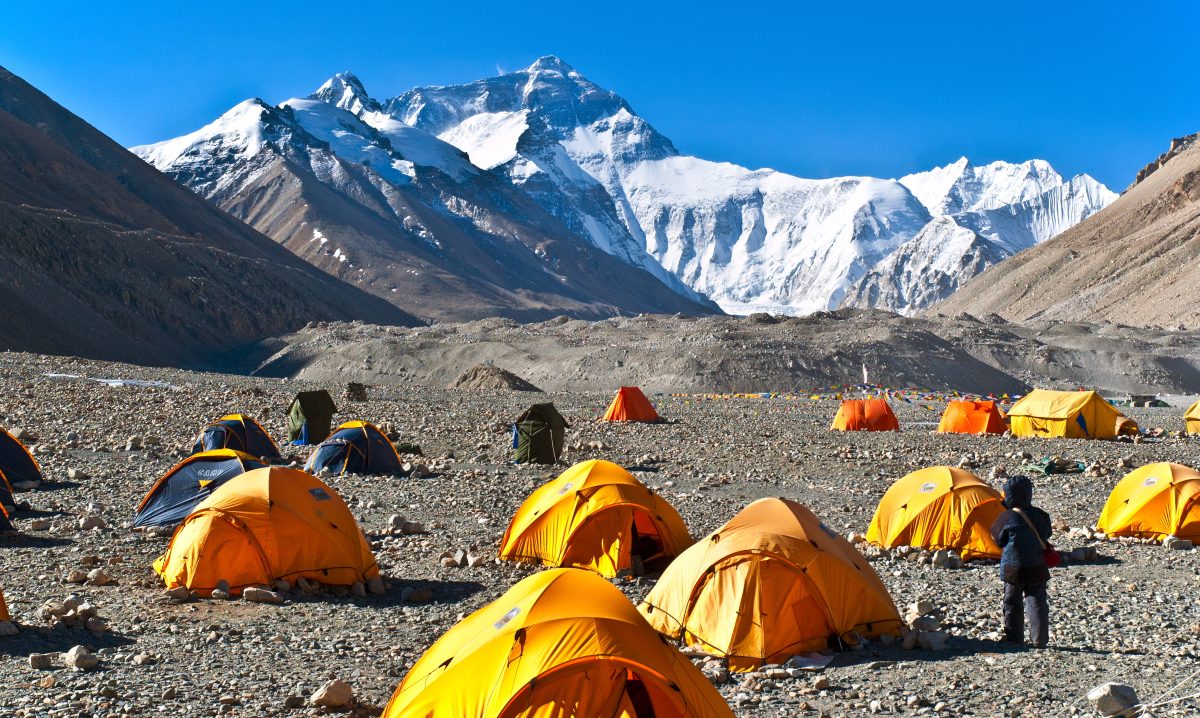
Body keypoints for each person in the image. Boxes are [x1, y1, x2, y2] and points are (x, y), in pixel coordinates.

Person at [993, 474, 1053, 647]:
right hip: (1037, 566)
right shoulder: (1042, 515)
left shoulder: (1006, 517)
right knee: (1037, 601)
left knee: (1012, 602)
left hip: (1013, 568)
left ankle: (1014, 639)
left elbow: (999, 540)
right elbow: (1047, 534)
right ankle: (1040, 640)